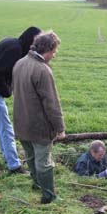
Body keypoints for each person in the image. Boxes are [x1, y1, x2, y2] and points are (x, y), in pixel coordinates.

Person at [0, 26, 41, 174]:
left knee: (2, 127)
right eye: (35, 44)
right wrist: (6, 91)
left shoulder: (14, 44)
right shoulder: (14, 50)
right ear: (30, 40)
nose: (35, 48)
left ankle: (8, 158)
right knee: (6, 129)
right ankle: (14, 166)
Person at [12, 31, 65, 204]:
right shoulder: (42, 70)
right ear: (48, 49)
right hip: (39, 126)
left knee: (30, 156)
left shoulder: (19, 63)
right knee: (44, 162)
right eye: (54, 51)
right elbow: (52, 104)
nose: (55, 55)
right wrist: (60, 128)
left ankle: (36, 184)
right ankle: (48, 196)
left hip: (21, 124)